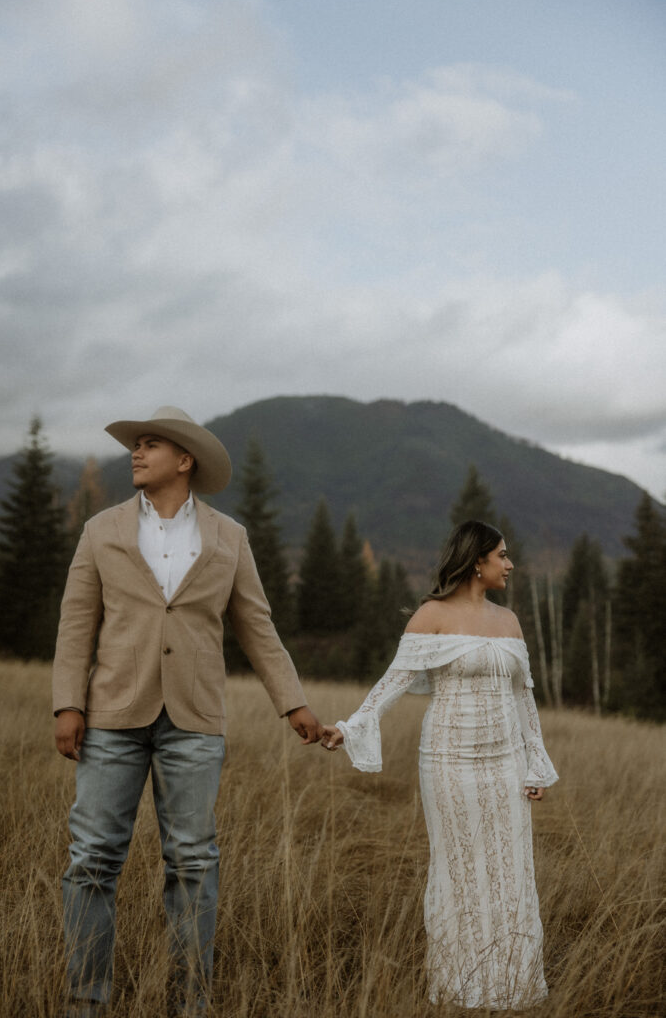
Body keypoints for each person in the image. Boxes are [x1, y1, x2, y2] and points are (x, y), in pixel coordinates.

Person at [53, 406, 323, 1018]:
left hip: (195, 721)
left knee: (194, 863)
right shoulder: (100, 529)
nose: (136, 453)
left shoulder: (230, 537)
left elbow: (256, 626)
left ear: (184, 460)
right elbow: (76, 622)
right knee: (92, 858)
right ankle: (85, 998)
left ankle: (189, 1002)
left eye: (150, 445)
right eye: (136, 445)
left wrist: (294, 703)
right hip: (111, 715)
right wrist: (68, 703)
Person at [322, 520, 558, 1011]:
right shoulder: (430, 616)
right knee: (460, 867)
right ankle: (460, 989)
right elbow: (392, 683)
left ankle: (511, 988)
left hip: (506, 762)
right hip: (449, 760)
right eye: (502, 555)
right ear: (477, 561)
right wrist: (351, 726)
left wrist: (536, 761)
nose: (510, 564)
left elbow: (524, 698)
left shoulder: (510, 621)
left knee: (511, 870)